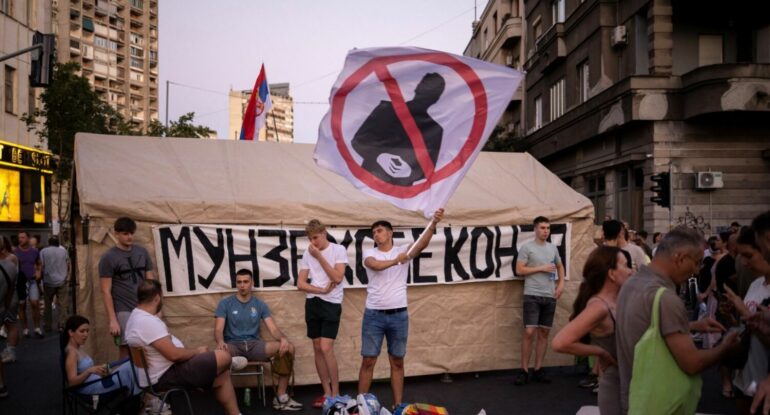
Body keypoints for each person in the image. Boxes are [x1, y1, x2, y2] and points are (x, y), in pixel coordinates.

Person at [616, 226, 739, 414]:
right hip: (662, 405)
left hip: (635, 400)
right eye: (696, 263)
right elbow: (692, 363)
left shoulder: (631, 284)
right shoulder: (665, 298)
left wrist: (692, 325)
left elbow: (645, 329)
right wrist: (725, 346)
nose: (696, 271)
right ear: (680, 258)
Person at [358, 209, 444, 407]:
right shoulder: (370, 252)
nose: (376, 234)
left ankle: (398, 406)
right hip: (374, 315)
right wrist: (398, 259)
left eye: (379, 230)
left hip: (399, 315)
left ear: (390, 233)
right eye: (373, 232)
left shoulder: (403, 250)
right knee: (368, 360)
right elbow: (374, 265)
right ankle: (360, 406)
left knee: (397, 361)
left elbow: (421, 244)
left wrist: (433, 223)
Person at [125, 279, 242, 415]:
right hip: (166, 376)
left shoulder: (135, 316)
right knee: (223, 356)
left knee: (223, 376)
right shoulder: (146, 322)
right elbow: (174, 355)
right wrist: (197, 352)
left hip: (162, 373)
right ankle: (228, 363)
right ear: (157, 298)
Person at [553, 246, 633, 415]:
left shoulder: (618, 300)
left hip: (628, 382)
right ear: (611, 274)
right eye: (626, 266)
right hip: (615, 387)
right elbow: (560, 343)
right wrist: (600, 352)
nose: (630, 271)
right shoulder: (599, 307)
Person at [214, 269, 302, 411]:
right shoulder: (225, 303)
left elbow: (273, 329)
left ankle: (281, 396)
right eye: (239, 282)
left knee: (289, 348)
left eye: (245, 282)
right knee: (217, 355)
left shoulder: (260, 304)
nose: (242, 285)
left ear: (252, 283)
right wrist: (220, 341)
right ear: (236, 284)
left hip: (255, 345)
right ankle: (226, 393)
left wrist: (283, 339)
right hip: (234, 345)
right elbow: (218, 330)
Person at [296, 219, 348, 408]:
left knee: (326, 348)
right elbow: (300, 283)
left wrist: (319, 256)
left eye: (316, 237)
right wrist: (320, 290)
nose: (313, 242)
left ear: (324, 233)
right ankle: (326, 392)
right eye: (310, 239)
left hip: (332, 303)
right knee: (317, 347)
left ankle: (336, 393)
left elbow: (337, 277)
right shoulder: (307, 253)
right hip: (313, 302)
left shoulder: (338, 250)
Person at [722, 227, 770, 414]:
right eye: (741, 256)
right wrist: (731, 317)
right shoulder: (756, 284)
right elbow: (746, 331)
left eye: (749, 256)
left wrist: (744, 311)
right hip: (745, 377)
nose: (743, 262)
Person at [514, 216, 566, 386]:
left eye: (548, 228)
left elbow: (560, 266)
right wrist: (541, 268)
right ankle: (524, 370)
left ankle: (538, 369)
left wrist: (561, 284)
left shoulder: (553, 248)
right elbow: (519, 270)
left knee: (544, 333)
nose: (545, 231)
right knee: (529, 332)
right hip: (532, 294)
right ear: (535, 229)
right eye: (542, 228)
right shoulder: (527, 247)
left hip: (549, 295)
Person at [99, 217, 155, 358]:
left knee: (146, 344)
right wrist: (112, 319)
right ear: (116, 234)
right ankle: (126, 373)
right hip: (123, 308)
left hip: (143, 307)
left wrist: (155, 308)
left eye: (131, 233)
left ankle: (142, 373)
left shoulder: (142, 252)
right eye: (125, 233)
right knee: (125, 348)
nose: (129, 237)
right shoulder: (108, 257)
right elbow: (105, 291)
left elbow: (151, 283)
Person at [62, 315, 140, 396]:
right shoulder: (72, 352)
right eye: (82, 331)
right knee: (131, 367)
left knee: (130, 364)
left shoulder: (78, 348)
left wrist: (98, 370)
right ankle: (139, 397)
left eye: (87, 331)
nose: (86, 334)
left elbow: (88, 371)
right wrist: (89, 371)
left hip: (99, 381)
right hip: (91, 387)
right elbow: (72, 382)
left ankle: (137, 395)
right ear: (71, 332)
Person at [14, 231, 42, 338]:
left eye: (23, 237)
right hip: (20, 282)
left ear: (28, 238)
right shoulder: (15, 252)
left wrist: (38, 272)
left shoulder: (34, 251)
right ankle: (25, 329)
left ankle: (37, 328)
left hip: (32, 280)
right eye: (19, 237)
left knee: (35, 303)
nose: (20, 239)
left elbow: (39, 263)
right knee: (22, 306)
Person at [40, 237, 70, 332]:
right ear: (58, 243)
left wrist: (41, 279)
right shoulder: (63, 251)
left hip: (48, 281)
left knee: (48, 304)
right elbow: (68, 264)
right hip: (62, 280)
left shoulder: (43, 251)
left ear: (49, 243)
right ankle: (62, 324)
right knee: (63, 304)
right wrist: (67, 276)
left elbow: (41, 265)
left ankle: (48, 325)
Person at [0, 236, 17, 397]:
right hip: (4, 306)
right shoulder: (11, 266)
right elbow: (10, 291)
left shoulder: (10, 262)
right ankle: (1, 384)